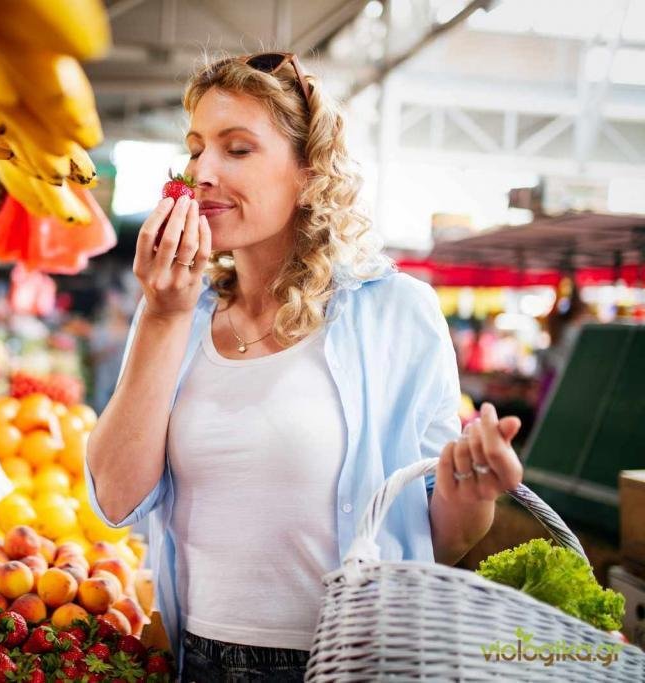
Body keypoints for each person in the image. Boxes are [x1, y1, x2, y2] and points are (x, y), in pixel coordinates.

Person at [85, 52, 525, 682]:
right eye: (195, 149)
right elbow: (115, 498)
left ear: (310, 175)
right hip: (198, 659)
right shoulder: (174, 311)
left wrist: (472, 490)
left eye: (237, 150)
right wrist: (160, 315)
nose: (202, 172)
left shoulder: (397, 313)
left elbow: (443, 538)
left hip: (350, 663)